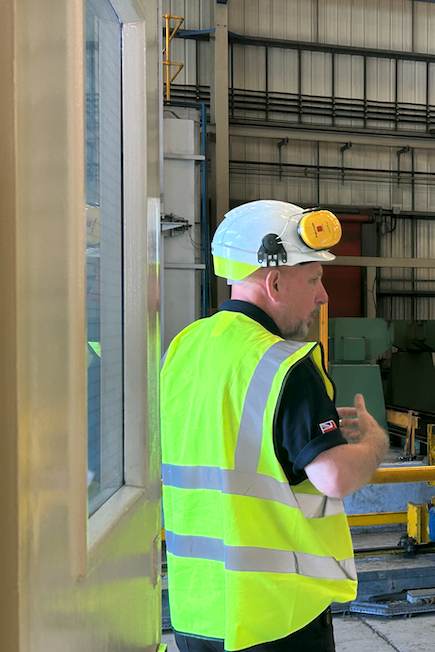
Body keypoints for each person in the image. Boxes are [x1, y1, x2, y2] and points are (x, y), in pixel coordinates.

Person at [160, 200, 389, 652]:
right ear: (275, 280)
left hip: (197, 612)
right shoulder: (286, 363)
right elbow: (334, 476)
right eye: (314, 279)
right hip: (275, 618)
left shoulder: (183, 349)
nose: (322, 296)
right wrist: (375, 440)